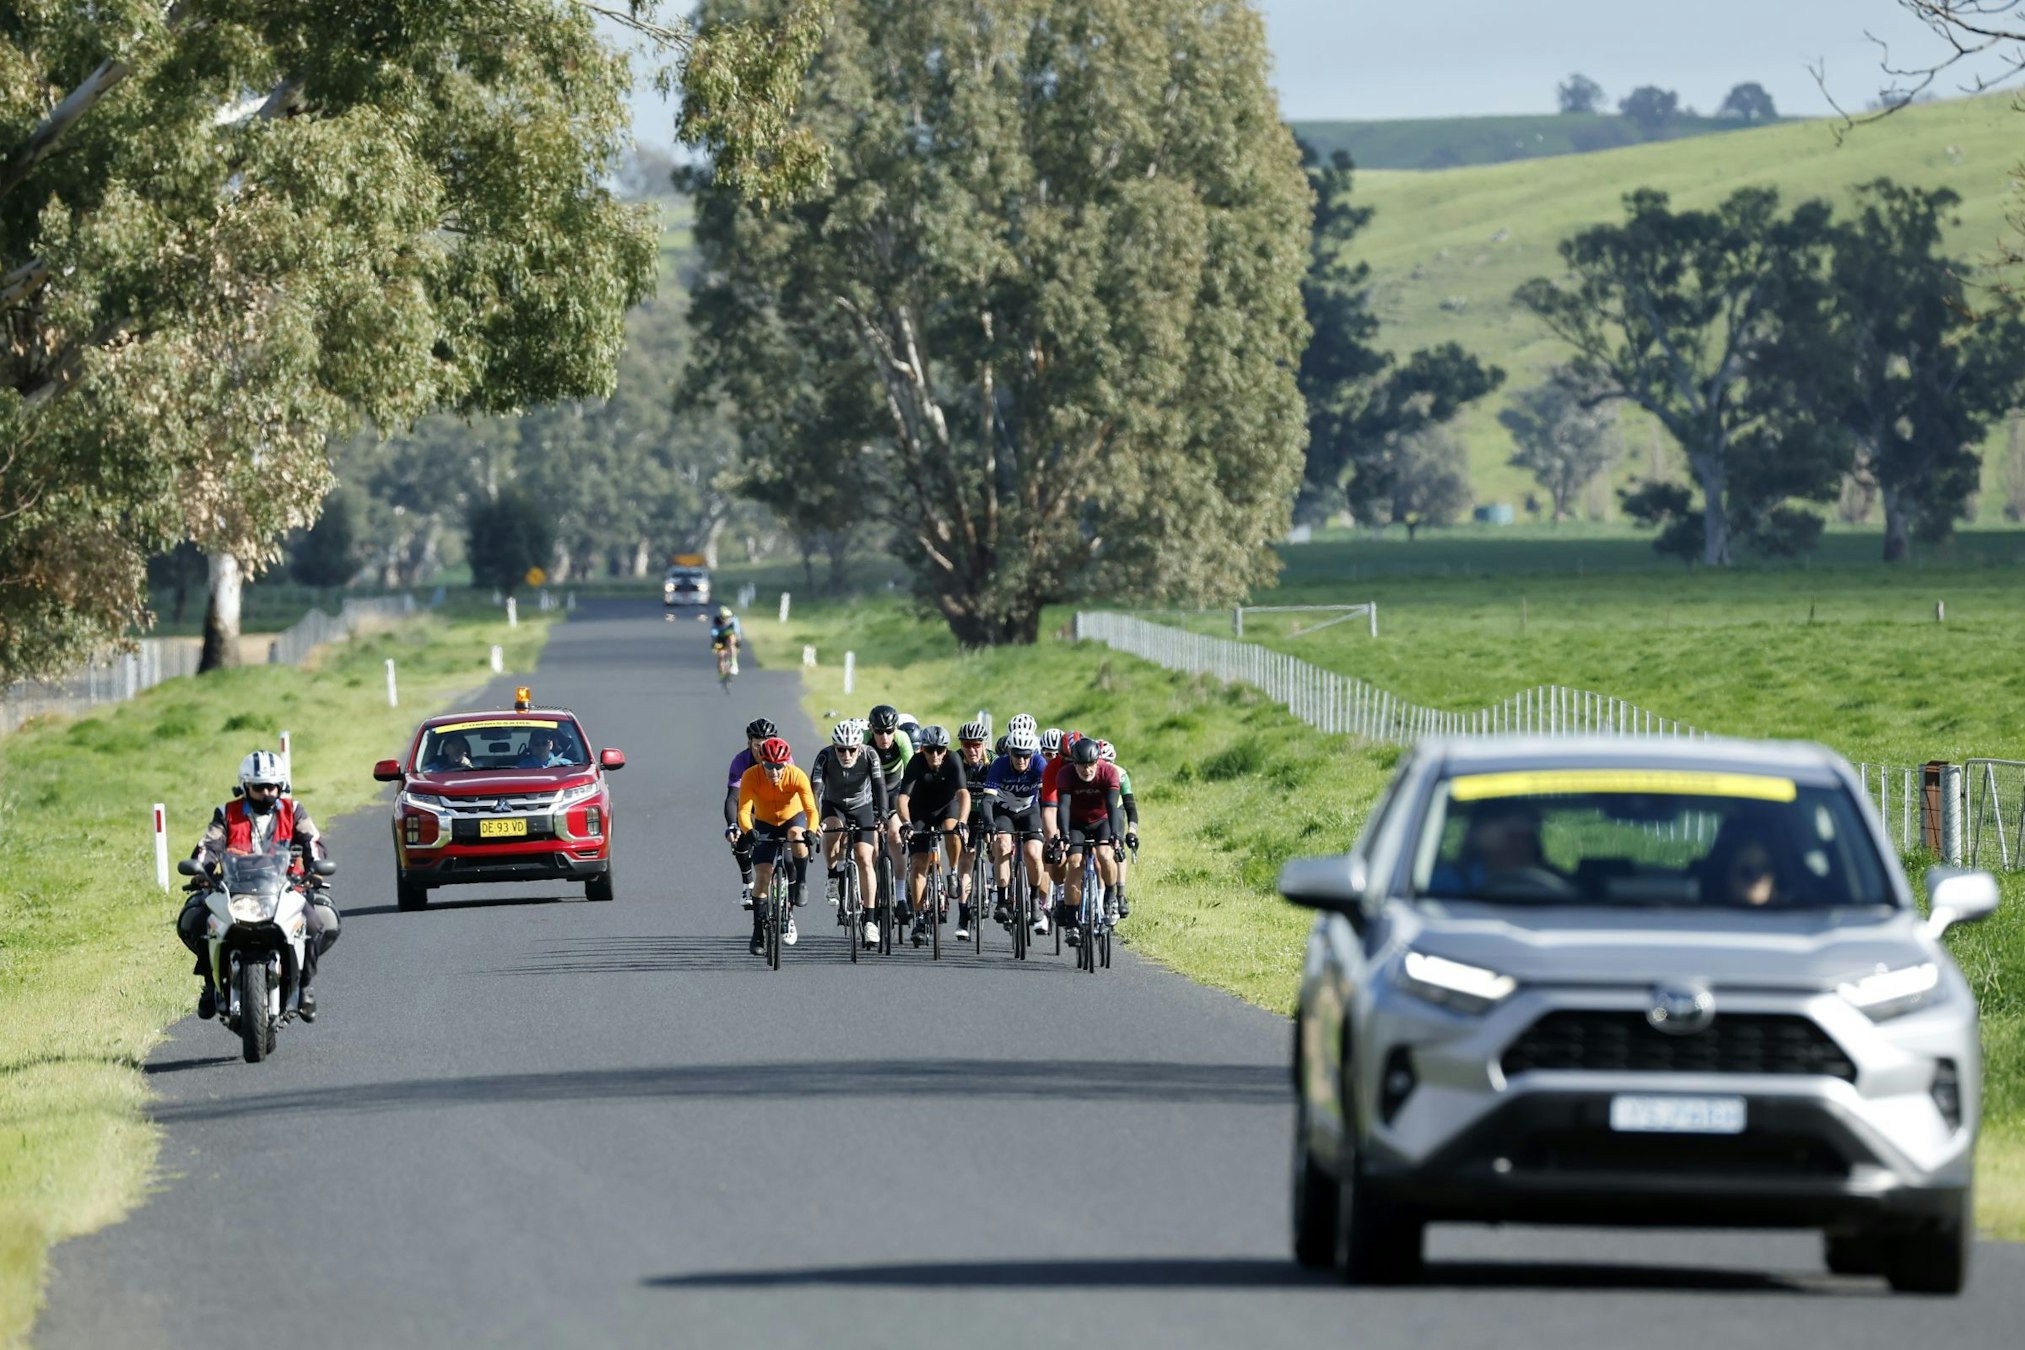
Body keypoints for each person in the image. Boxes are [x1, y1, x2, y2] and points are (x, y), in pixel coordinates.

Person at [177, 750, 339, 1021]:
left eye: (271, 786)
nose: (266, 793)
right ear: (245, 787)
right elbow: (209, 845)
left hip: (286, 887)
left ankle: (304, 986)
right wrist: (200, 870)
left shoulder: (294, 810)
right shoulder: (226, 813)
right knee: (196, 921)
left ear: (281, 786)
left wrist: (315, 868)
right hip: (235, 888)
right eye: (259, 787)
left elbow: (313, 842)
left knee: (314, 923)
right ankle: (209, 982)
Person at [810, 718, 888, 946]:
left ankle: (871, 920)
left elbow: (879, 785)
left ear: (859, 747)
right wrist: (814, 819)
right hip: (833, 804)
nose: (846, 755)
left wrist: (882, 816)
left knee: (865, 858)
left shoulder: (870, 755)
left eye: (851, 750)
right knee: (832, 828)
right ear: (834, 747)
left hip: (862, 806)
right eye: (841, 749)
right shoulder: (825, 756)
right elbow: (815, 790)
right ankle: (833, 875)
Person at [736, 736, 817, 954]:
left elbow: (811, 810)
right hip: (765, 823)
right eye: (769, 766)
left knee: (796, 834)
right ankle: (758, 934)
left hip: (793, 819)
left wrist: (811, 831)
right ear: (761, 762)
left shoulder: (796, 775)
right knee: (762, 875)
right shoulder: (750, 776)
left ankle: (800, 881)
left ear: (786, 763)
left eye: (778, 767)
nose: (774, 772)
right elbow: (743, 811)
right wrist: (748, 830)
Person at [893, 724, 970, 947]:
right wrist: (906, 823)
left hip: (947, 808)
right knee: (918, 863)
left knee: (951, 829)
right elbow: (902, 798)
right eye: (929, 750)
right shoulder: (916, 763)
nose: (935, 755)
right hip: (920, 811)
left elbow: (963, 793)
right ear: (923, 749)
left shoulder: (954, 759)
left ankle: (953, 871)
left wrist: (963, 822)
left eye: (939, 750)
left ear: (946, 750)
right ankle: (918, 919)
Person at [1043, 736, 1125, 943]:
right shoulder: (1066, 774)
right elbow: (1063, 806)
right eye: (1081, 766)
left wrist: (1115, 834)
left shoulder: (1109, 772)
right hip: (1076, 823)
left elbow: (1113, 807)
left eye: (1090, 765)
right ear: (1074, 764)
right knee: (1074, 863)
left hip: (1102, 821)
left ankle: (1111, 897)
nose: (1086, 771)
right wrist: (1065, 837)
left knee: (1105, 856)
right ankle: (1072, 922)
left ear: (1097, 762)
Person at [985, 725, 1051, 938]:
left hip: (1029, 811)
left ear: (1032, 754)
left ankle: (1034, 899)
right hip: (1003, 811)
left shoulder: (1040, 765)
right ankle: (1003, 900)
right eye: (1016, 755)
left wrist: (1049, 827)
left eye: (1026, 756)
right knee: (1003, 846)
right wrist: (989, 824)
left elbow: (1046, 800)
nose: (1021, 760)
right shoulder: (999, 765)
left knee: (1033, 852)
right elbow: (988, 800)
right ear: (1009, 752)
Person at [1426, 799, 1547, 896]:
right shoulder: (1446, 886)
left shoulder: (1552, 885)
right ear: (1479, 836)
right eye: (1511, 836)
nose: (1519, 845)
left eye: (1526, 836)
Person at [862, 705, 914, 910]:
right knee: (872, 843)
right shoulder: (864, 741)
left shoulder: (902, 739)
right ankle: (870, 890)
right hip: (870, 792)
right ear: (871, 729)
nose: (884, 737)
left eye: (889, 731)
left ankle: (900, 895)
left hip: (894, 790)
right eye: (879, 732)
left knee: (895, 836)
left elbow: (911, 773)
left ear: (896, 729)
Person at [723, 717, 778, 910]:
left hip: (777, 804)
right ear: (749, 744)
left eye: (766, 745)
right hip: (750, 802)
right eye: (757, 746)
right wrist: (732, 825)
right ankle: (748, 883)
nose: (761, 752)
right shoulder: (741, 761)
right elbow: (732, 799)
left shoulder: (784, 758)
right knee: (741, 832)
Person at [953, 719, 996, 941]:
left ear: (984, 744)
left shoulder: (994, 762)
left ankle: (995, 881)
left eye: (976, 745)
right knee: (966, 858)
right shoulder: (955, 761)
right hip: (965, 814)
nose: (972, 750)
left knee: (997, 847)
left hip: (990, 812)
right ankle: (963, 917)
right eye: (967, 745)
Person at [1096, 738, 1140, 918]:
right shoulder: (1086, 774)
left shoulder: (1120, 774)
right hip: (1094, 813)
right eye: (1100, 764)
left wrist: (1132, 832)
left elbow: (1130, 807)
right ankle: (1097, 893)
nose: (1105, 769)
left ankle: (1120, 894)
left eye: (1108, 764)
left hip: (1115, 811)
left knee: (1117, 847)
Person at [705, 605, 742, 676]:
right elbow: (714, 633)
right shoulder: (716, 620)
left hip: (730, 636)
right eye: (723, 618)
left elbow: (737, 631)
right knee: (721, 656)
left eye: (727, 618)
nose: (725, 620)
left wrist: (738, 642)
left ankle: (734, 664)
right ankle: (722, 676)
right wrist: (714, 644)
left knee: (731, 641)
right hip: (720, 639)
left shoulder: (734, 619)